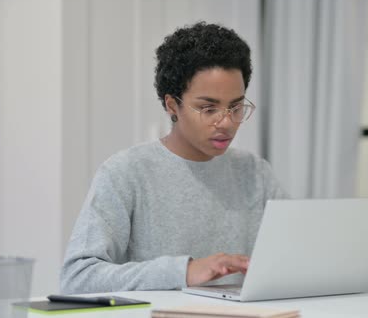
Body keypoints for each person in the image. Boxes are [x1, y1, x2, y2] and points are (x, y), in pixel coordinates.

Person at [60, 22, 288, 294]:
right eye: (208, 108)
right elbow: (77, 278)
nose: (226, 122)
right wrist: (184, 271)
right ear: (172, 105)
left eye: (236, 107)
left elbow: (299, 255)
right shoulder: (126, 172)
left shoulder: (255, 173)